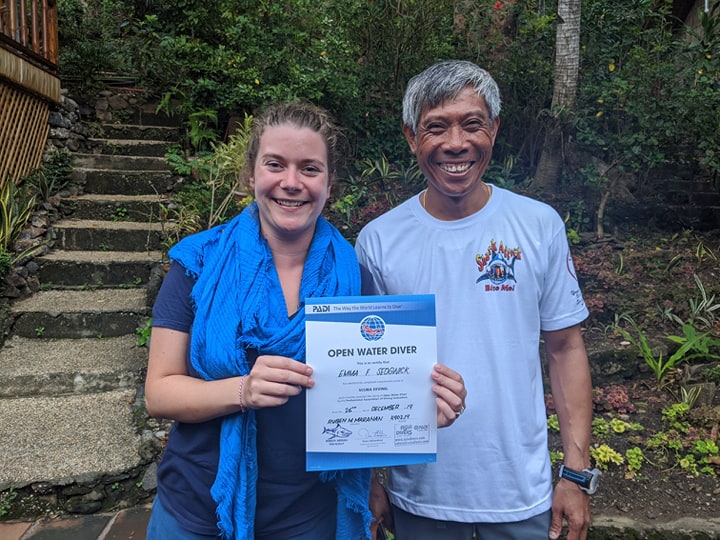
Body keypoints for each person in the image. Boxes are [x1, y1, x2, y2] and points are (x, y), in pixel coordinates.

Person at [144, 100, 467, 540]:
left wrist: (421, 408)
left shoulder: (354, 278)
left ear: (329, 184)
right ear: (251, 174)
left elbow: (370, 397)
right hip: (198, 510)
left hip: (310, 514)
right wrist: (242, 390)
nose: (291, 182)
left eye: (310, 169)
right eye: (275, 164)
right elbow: (160, 392)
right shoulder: (198, 264)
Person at [355, 60, 594, 540]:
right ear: (410, 136)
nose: (456, 143)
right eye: (435, 127)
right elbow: (364, 372)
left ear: (495, 129)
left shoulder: (538, 225)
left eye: (472, 123)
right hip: (420, 494)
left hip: (521, 494)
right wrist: (368, 479)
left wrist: (576, 473)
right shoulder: (378, 241)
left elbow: (566, 348)